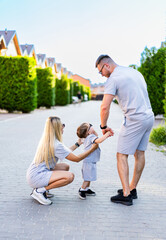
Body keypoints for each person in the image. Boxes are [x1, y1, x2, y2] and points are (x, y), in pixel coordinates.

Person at [95, 54, 154, 206]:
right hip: (149, 116)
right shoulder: (134, 72)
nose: (101, 75)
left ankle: (126, 194)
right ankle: (132, 188)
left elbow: (104, 106)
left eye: (100, 71)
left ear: (106, 65)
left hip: (134, 119)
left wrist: (103, 126)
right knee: (139, 153)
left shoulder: (113, 79)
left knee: (121, 155)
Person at [26, 116, 98, 205]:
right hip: (36, 176)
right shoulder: (56, 144)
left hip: (34, 173)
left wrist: (77, 144)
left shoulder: (49, 140)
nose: (64, 127)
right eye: (62, 125)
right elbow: (77, 159)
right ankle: (40, 190)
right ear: (57, 128)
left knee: (65, 166)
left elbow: (65, 152)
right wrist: (92, 148)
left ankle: (43, 189)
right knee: (69, 176)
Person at [76, 123, 111, 200]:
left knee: (90, 176)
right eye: (90, 127)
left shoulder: (88, 136)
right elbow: (99, 140)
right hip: (89, 161)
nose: (92, 126)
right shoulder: (90, 137)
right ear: (88, 132)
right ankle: (82, 189)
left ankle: (87, 189)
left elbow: (97, 136)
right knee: (87, 178)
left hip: (90, 161)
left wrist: (93, 131)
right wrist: (107, 133)